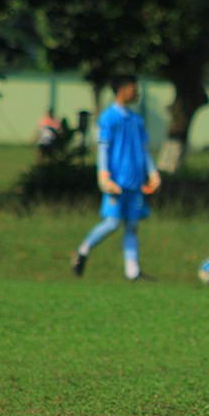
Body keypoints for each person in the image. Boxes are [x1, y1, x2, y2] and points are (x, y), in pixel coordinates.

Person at [72, 75, 160, 280]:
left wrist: (154, 174)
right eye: (133, 88)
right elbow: (103, 148)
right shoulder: (108, 117)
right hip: (117, 183)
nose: (136, 92)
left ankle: (133, 271)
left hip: (135, 182)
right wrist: (104, 176)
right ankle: (82, 251)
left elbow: (145, 150)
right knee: (112, 223)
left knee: (132, 225)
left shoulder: (137, 120)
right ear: (122, 89)